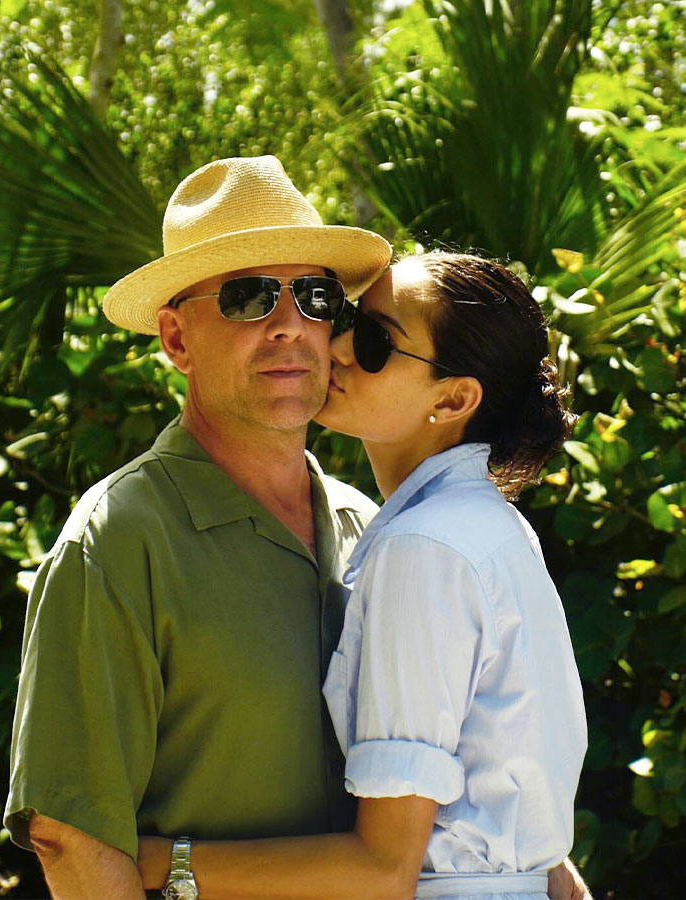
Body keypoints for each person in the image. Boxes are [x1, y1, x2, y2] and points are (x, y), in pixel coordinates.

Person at [134, 251, 589, 900]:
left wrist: (155, 863)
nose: (337, 347)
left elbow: (383, 871)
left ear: (453, 398)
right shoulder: (491, 526)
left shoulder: (423, 547)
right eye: (347, 320)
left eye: (376, 342)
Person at [4, 154, 391, 900]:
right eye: (249, 298)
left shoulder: (371, 528)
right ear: (176, 339)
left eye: (315, 297)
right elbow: (71, 839)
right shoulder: (115, 542)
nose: (290, 325)